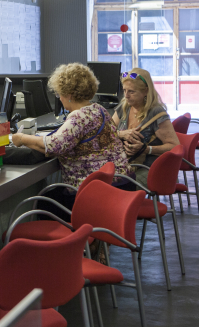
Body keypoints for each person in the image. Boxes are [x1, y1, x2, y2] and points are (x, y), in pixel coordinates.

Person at [11, 63, 133, 220]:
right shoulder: (99, 109)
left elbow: (54, 146)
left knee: (45, 201)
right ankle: (92, 240)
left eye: (59, 94)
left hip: (98, 194)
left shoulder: (78, 117)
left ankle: (72, 241)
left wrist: (21, 138)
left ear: (68, 94)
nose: (60, 98)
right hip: (122, 184)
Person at [113, 68, 179, 188]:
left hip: (150, 168)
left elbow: (175, 146)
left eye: (131, 92)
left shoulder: (156, 112)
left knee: (122, 187)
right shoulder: (125, 108)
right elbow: (107, 132)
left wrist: (146, 149)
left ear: (146, 91)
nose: (126, 96)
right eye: (124, 90)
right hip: (125, 164)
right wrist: (122, 134)